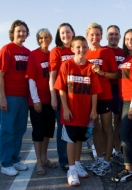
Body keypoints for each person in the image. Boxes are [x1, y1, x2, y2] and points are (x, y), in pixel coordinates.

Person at [54, 36, 102, 186]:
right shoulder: (66, 65)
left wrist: (94, 110)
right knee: (70, 140)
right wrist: (66, 108)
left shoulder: (91, 67)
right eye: (78, 47)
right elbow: (61, 89)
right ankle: (71, 169)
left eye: (84, 47)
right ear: (73, 49)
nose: (81, 50)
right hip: (70, 112)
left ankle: (77, 163)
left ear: (88, 48)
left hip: (85, 111)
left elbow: (94, 91)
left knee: (80, 140)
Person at [111, 29, 132, 182]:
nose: (130, 42)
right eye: (127, 39)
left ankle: (128, 169)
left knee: (123, 133)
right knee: (130, 133)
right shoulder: (127, 58)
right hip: (124, 99)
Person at [85, 22, 118, 176]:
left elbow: (116, 74)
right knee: (95, 129)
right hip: (90, 98)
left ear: (101, 36)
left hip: (105, 95)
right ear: (87, 36)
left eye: (98, 34)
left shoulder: (107, 52)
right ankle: (99, 158)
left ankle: (107, 160)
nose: (95, 37)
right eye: (92, 34)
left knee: (107, 128)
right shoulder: (84, 53)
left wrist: (102, 73)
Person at [0, 20, 30, 176]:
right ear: (13, 32)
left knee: (20, 130)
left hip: (23, 97)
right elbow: (1, 74)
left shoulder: (28, 52)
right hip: (10, 96)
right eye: (19, 31)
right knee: (7, 130)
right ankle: (5, 163)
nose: (21, 33)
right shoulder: (6, 49)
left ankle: (15, 159)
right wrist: (2, 97)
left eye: (24, 31)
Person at [26, 28, 56, 175]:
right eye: (41, 38)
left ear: (50, 39)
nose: (44, 40)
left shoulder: (52, 54)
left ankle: (44, 158)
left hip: (51, 100)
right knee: (38, 132)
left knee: (47, 132)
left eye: (47, 37)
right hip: (38, 100)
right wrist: (36, 100)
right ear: (38, 40)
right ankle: (38, 163)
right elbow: (31, 79)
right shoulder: (34, 55)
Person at [49, 23, 75, 171]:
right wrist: (53, 96)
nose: (65, 35)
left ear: (73, 32)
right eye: (62, 33)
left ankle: (74, 159)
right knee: (63, 128)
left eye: (68, 32)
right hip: (62, 95)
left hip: (77, 95)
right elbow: (52, 76)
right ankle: (64, 160)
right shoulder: (56, 51)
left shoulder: (78, 47)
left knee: (75, 127)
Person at [105, 25, 125, 165]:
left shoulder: (124, 52)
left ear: (119, 36)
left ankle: (117, 150)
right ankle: (106, 150)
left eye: (116, 34)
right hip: (105, 90)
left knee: (117, 121)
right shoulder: (103, 51)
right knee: (104, 124)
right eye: (111, 34)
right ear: (107, 36)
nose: (113, 36)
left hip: (120, 90)